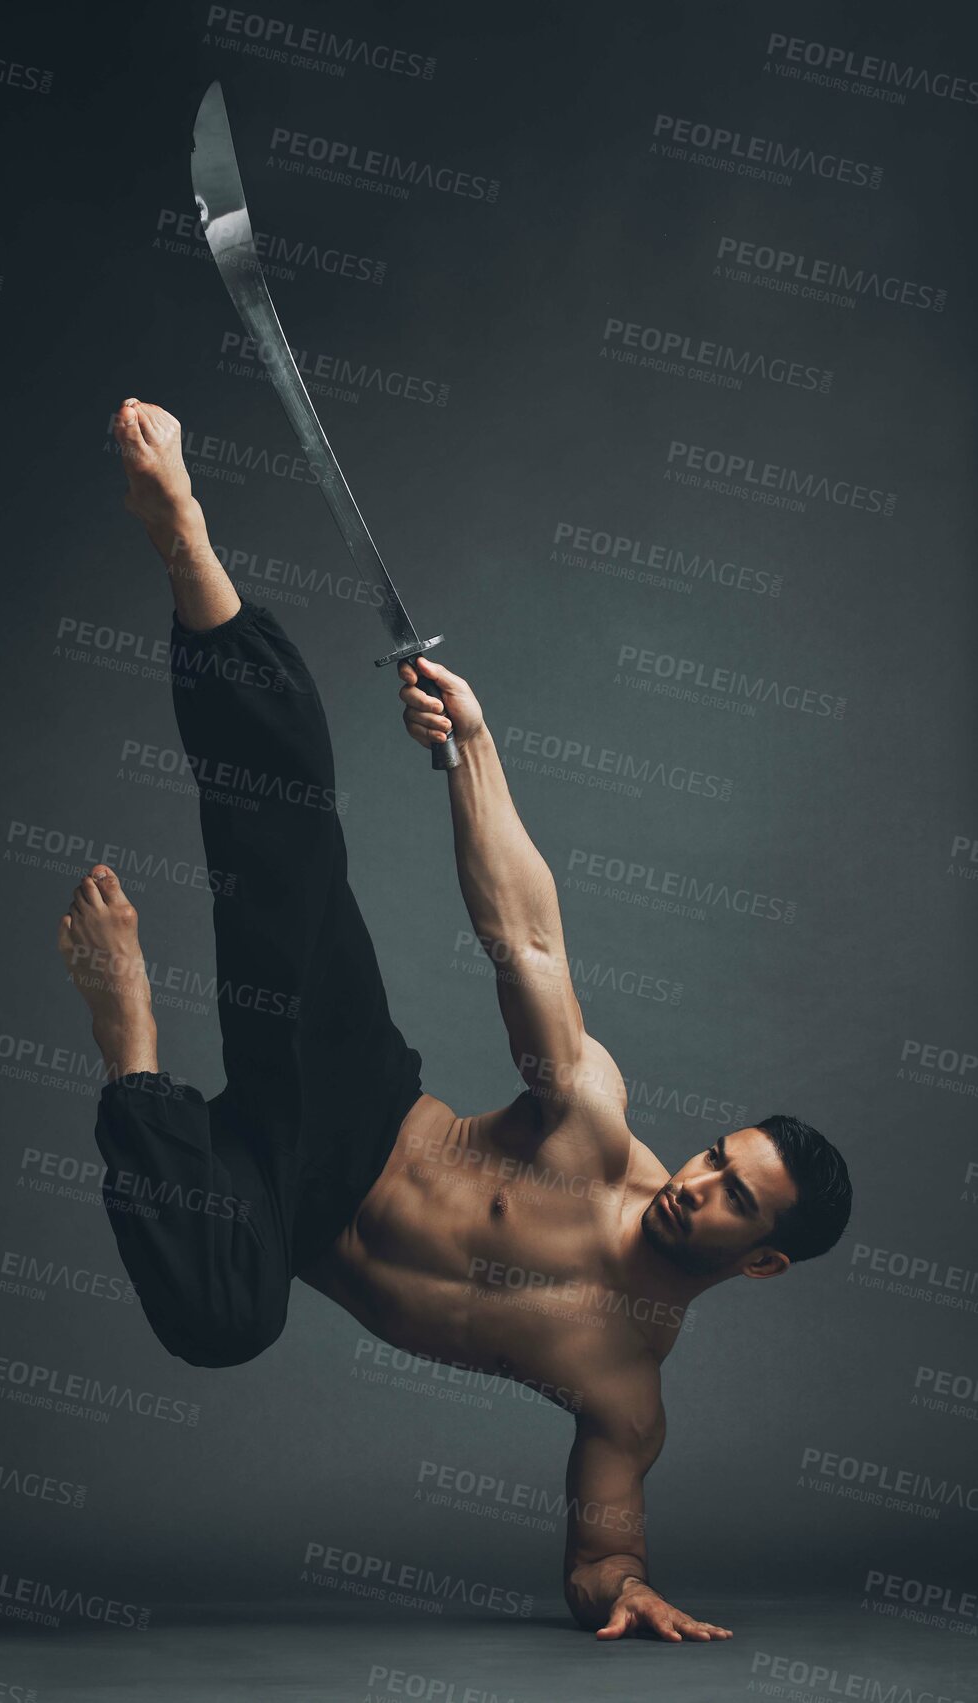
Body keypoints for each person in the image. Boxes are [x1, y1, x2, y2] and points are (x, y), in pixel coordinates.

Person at [59, 398, 852, 1644]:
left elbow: (603, 1547)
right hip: (354, 1108)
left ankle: (133, 1053)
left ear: (762, 1259)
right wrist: (473, 747)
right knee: (290, 846)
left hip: (272, 1212)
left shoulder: (626, 1392)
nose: (699, 1182)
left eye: (735, 1200)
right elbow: (526, 940)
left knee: (224, 1322)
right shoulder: (592, 1138)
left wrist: (619, 1585)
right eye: (717, 1157)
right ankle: (189, 548)